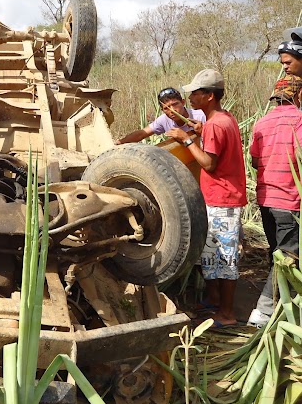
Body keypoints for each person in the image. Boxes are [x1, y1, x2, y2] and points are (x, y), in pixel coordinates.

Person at [166, 69, 247, 328]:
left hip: (222, 198)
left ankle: (227, 313)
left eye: (196, 93)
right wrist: (200, 131)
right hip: (220, 196)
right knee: (213, 254)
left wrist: (186, 139)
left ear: (210, 96)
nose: (190, 97)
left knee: (225, 258)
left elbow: (208, 163)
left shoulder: (215, 124)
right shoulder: (224, 119)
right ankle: (214, 301)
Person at [247, 75, 302, 328]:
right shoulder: (300, 120)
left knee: (276, 253)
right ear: (298, 95)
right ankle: (263, 312)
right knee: (288, 256)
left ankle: (282, 303)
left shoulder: (262, 123)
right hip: (290, 200)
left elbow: (255, 161)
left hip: (266, 200)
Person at [115, 87, 206, 144]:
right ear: (162, 110)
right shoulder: (163, 120)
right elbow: (141, 134)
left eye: (175, 104)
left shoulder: (200, 116)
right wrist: (120, 142)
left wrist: (203, 132)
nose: (173, 110)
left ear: (183, 102)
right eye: (167, 108)